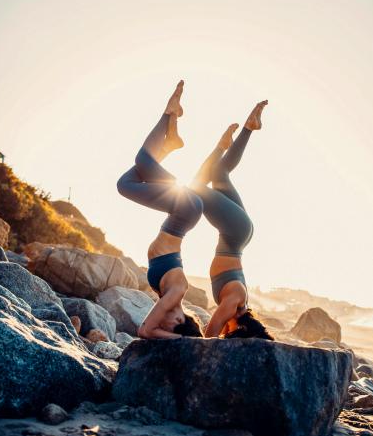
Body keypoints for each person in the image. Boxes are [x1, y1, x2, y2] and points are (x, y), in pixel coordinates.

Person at [117, 81, 203, 339]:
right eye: (170, 325)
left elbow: (150, 328)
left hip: (180, 214)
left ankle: (169, 144)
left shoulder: (168, 295)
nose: (161, 323)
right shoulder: (176, 294)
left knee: (126, 183)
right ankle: (168, 113)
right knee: (142, 161)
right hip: (185, 210)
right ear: (180, 319)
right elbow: (145, 331)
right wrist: (182, 340)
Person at [191, 101, 273, 340]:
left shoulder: (239, 306)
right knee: (194, 187)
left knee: (218, 174)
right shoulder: (234, 305)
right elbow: (211, 331)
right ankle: (222, 146)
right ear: (241, 329)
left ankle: (248, 128)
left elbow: (221, 328)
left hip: (239, 235)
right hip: (235, 234)